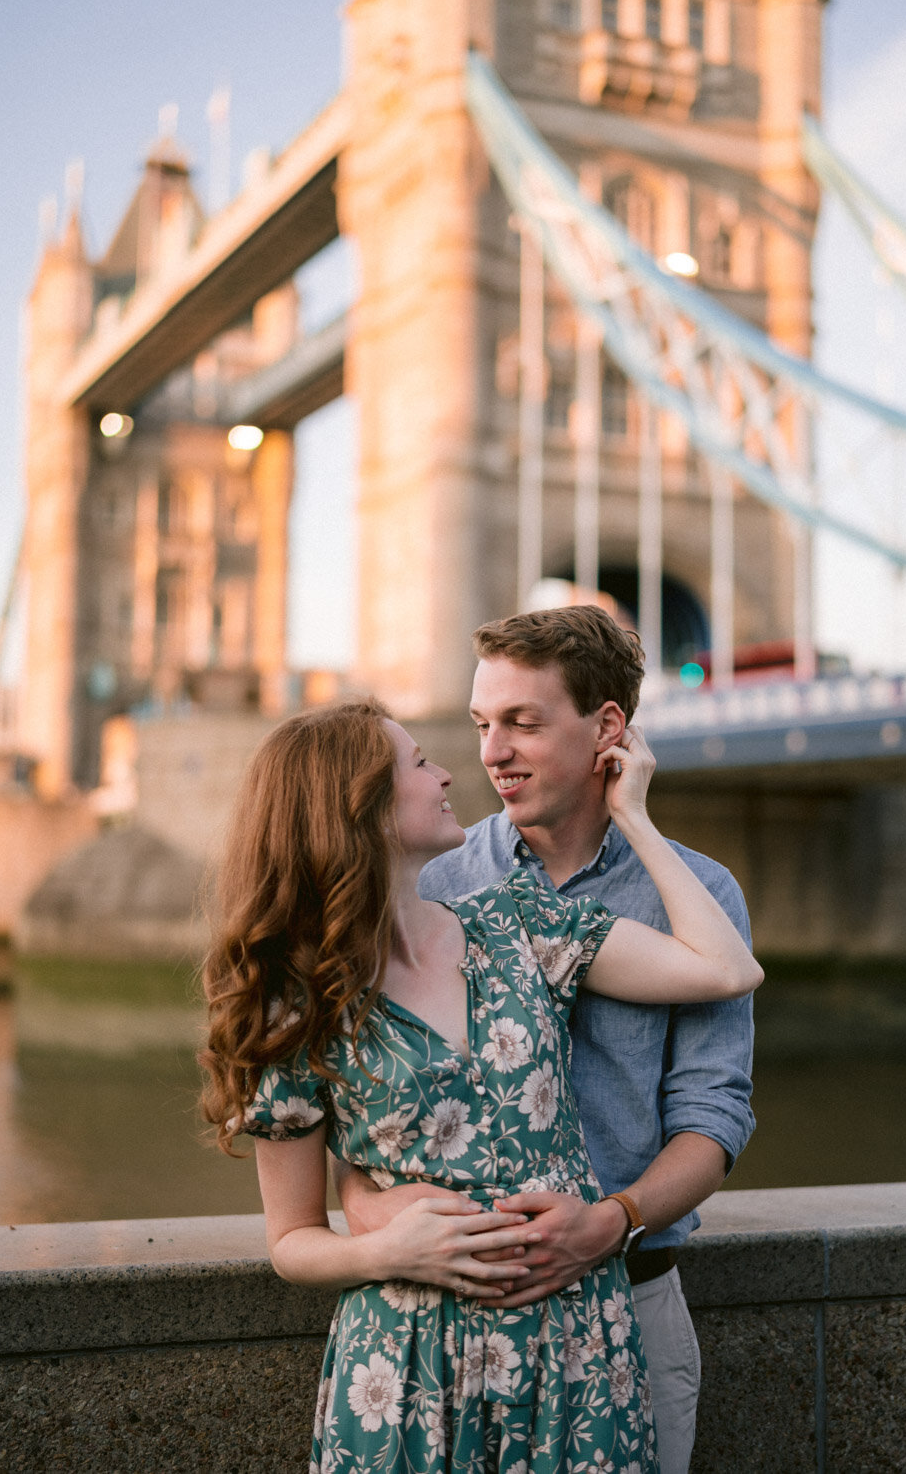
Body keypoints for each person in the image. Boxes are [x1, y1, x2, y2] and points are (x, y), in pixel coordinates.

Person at [200, 697, 761, 1474]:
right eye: (420, 762)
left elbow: (728, 970)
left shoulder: (523, 923)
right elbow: (291, 1241)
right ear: (361, 807)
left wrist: (631, 815)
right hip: (404, 1375)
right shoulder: (296, 1004)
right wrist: (388, 1246)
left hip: (577, 1355)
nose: (449, 772)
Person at [338, 607, 756, 1474]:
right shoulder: (436, 876)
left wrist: (613, 1221)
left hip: (632, 1307)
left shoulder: (700, 899)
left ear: (608, 728)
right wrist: (378, 1213)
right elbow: (350, 1105)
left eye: (524, 723)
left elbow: (714, 1119)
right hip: (444, 1321)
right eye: (483, 724)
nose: (492, 752)